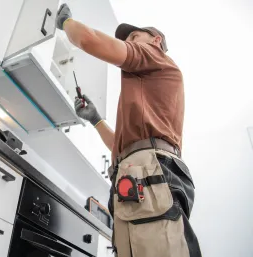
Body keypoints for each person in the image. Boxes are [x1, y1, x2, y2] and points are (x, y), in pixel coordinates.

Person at [56, 4, 202, 257]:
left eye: (134, 37)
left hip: (148, 171)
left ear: (155, 41)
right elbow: (123, 148)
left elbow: (89, 40)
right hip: (141, 170)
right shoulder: (147, 92)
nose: (129, 42)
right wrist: (96, 119)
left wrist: (66, 23)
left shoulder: (155, 57)